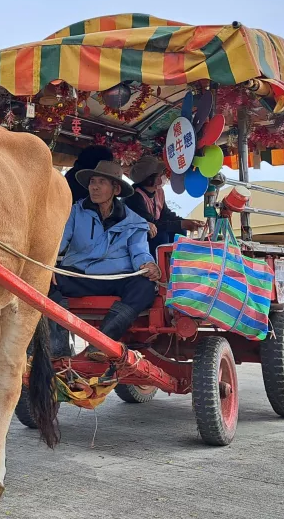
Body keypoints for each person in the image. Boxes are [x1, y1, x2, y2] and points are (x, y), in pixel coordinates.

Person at [49, 160, 161, 366]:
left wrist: (148, 264)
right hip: (80, 274)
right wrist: (48, 263)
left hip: (117, 278)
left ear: (115, 189)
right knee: (46, 280)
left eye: (102, 182)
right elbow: (59, 240)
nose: (95, 187)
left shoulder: (134, 221)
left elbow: (139, 252)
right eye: (93, 181)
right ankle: (57, 348)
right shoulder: (76, 211)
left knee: (145, 287)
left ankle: (101, 342)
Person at [126, 156, 205, 249]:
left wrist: (185, 222)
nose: (164, 176)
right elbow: (152, 224)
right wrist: (181, 224)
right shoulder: (134, 197)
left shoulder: (158, 192)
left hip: (156, 229)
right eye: (160, 174)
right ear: (150, 179)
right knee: (161, 236)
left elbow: (166, 215)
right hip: (139, 239)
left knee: (180, 231)